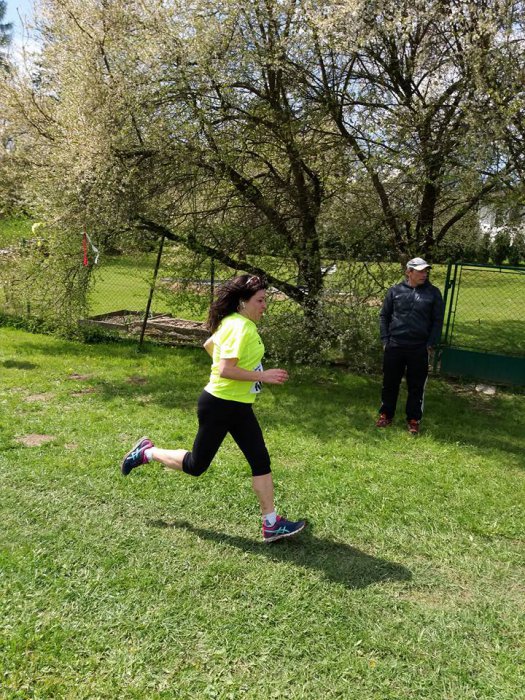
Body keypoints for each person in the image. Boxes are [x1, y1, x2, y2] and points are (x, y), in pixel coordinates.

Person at [120, 274, 306, 543]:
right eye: (260, 300)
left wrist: (243, 374)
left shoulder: (233, 323)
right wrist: (261, 376)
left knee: (260, 460)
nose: (265, 306)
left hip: (239, 406)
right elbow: (225, 369)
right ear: (243, 302)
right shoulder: (240, 327)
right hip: (219, 405)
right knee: (196, 465)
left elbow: (209, 346)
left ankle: (271, 524)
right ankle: (147, 452)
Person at [376, 257, 444, 435]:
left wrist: (430, 344)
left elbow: (437, 321)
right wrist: (385, 341)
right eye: (420, 271)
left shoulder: (433, 293)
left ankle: (413, 420)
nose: (424, 274)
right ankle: (386, 415)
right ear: (409, 272)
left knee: (416, 386)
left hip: (419, 347)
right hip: (395, 345)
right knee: (390, 383)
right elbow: (384, 316)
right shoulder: (395, 291)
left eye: (426, 271)